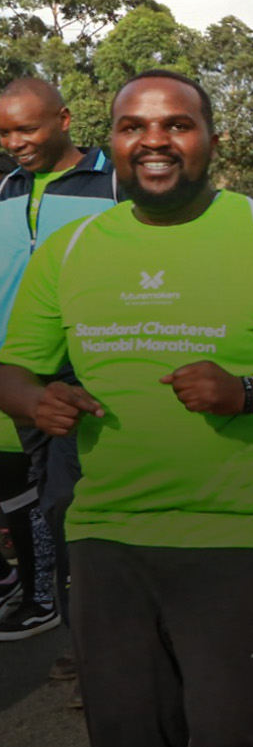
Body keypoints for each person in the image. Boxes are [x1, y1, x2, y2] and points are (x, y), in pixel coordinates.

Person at [0, 69, 253, 747]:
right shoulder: (73, 251)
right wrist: (37, 398)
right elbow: (14, 366)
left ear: (212, 140)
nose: (154, 141)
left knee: (240, 729)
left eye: (176, 124)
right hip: (108, 528)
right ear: (111, 141)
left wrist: (250, 392)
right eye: (134, 126)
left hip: (244, 525)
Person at [0, 76, 120, 648]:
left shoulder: (114, 182)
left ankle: (93, 649)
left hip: (90, 372)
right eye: (4, 132)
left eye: (26, 128)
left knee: (80, 510)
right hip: (19, 375)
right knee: (49, 509)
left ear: (64, 119)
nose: (15, 142)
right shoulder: (6, 188)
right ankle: (80, 635)